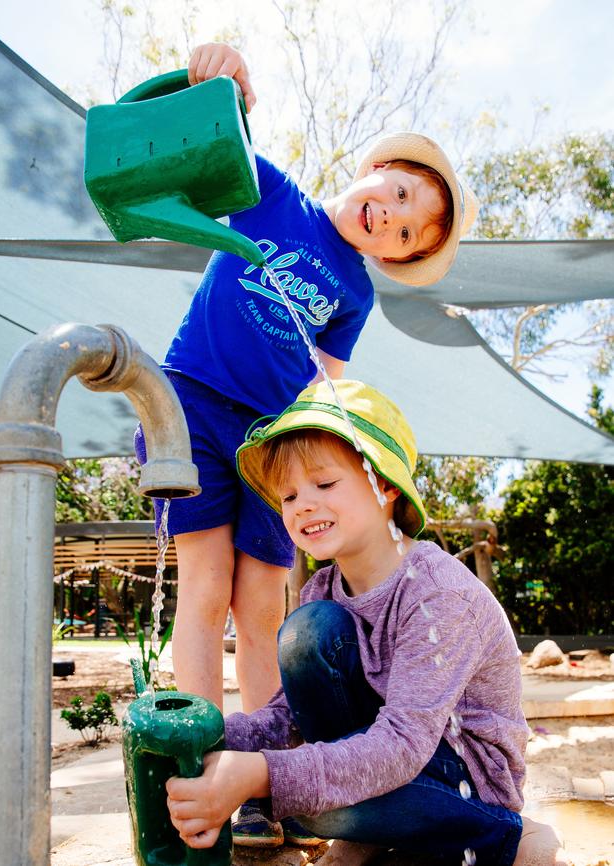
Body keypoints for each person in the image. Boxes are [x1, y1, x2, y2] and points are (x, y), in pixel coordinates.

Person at [134, 40, 478, 844]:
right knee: (205, 588)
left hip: (270, 445)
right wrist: (222, 83)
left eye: (403, 230)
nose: (387, 217)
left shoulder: (353, 293)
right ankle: (196, 767)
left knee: (264, 610)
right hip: (190, 402)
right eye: (392, 193)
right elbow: (213, 141)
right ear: (370, 170)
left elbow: (326, 387)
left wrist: (342, 471)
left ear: (397, 257)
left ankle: (254, 787)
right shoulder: (274, 196)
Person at [164, 379, 570, 866]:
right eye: (288, 495)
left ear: (384, 486)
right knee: (309, 632)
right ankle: (370, 834)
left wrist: (260, 774)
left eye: (324, 483)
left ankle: (508, 837)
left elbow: (401, 745)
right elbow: (287, 716)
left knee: (311, 804)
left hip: (462, 782)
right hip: (385, 762)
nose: (303, 504)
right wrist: (211, 742)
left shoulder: (436, 591)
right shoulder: (322, 590)